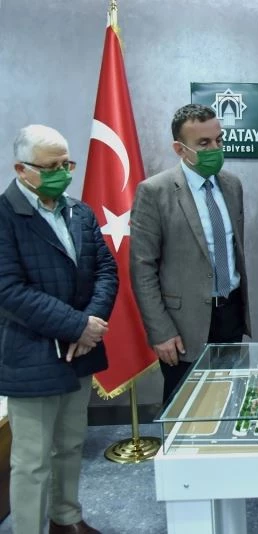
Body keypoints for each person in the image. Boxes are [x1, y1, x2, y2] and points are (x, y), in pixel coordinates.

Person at [0, 125, 118, 534]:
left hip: (79, 352)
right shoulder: (4, 216)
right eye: (51, 167)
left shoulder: (79, 211)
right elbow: (8, 291)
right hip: (31, 356)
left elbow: (106, 270)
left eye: (66, 164)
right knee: (32, 460)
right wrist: (77, 326)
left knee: (70, 444)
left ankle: (65, 518)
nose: (62, 173)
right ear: (21, 169)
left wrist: (90, 325)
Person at [130, 104, 250, 404]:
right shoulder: (154, 192)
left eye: (219, 140)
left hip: (230, 312)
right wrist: (160, 331)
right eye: (204, 143)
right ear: (180, 149)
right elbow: (142, 269)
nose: (215, 149)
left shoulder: (232, 185)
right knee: (185, 407)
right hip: (183, 325)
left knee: (229, 400)